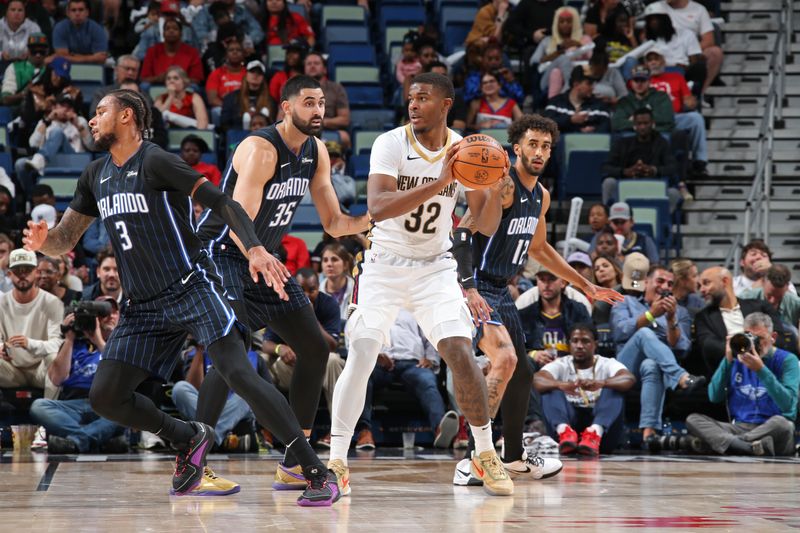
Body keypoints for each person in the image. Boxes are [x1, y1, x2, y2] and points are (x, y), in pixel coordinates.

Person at [23, 88, 340, 505]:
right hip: (142, 306)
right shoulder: (94, 174)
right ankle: (188, 438)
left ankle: (314, 470)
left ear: (128, 117)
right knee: (105, 396)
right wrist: (45, 244)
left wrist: (256, 247)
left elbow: (224, 202)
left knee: (239, 372)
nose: (93, 118)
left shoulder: (155, 160)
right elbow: (66, 239)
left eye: (101, 111)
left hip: (192, 286)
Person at [328, 72, 515, 497]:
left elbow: (482, 223)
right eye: (411, 98)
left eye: (424, 98)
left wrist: (493, 193)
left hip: (435, 266)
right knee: (361, 353)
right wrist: (443, 181)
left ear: (446, 104)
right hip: (383, 265)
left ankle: (484, 454)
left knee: (459, 351)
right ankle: (336, 460)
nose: (413, 105)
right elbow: (376, 207)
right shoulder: (390, 143)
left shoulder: (466, 150)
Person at [195, 75, 368, 494]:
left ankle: (295, 460)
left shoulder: (316, 152)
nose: (319, 111)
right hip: (225, 256)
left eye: (322, 103)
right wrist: (258, 253)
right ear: (286, 107)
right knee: (230, 354)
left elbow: (332, 222)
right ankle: (193, 463)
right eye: (309, 103)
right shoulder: (259, 150)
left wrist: (374, 221)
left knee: (314, 347)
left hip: (264, 259)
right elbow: (239, 224)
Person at [611, 264, 706, 445]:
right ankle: (681, 377)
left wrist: (671, 321)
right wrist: (650, 315)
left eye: (670, 284)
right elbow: (620, 332)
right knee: (645, 334)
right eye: (660, 281)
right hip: (624, 366)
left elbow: (682, 348)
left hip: (657, 367)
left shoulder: (680, 312)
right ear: (646, 283)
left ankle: (649, 433)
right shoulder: (625, 302)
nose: (665, 287)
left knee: (651, 365)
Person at [686, 313, 797, 456]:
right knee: (693, 419)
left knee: (784, 424)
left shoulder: (787, 360)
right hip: (740, 426)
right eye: (750, 338)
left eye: (760, 339)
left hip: (771, 428)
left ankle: (735, 444)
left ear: (773, 338)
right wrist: (727, 360)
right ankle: (750, 447)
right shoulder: (736, 358)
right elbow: (714, 396)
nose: (755, 344)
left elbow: (789, 407)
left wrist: (761, 370)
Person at [29, 296, 127, 454]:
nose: (110, 316)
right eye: (104, 313)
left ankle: (74, 441)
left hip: (106, 406)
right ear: (94, 318)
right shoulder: (73, 344)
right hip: (72, 407)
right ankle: (97, 437)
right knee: (39, 406)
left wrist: (98, 340)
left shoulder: (121, 344)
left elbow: (122, 375)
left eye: (114, 312)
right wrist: (69, 339)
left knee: (127, 411)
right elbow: (57, 379)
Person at [262, 268, 345, 447]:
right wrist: (280, 348)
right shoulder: (282, 301)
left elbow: (331, 345)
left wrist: (309, 315)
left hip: (318, 367)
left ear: (318, 288)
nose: (306, 294)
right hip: (288, 366)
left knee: (334, 360)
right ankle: (267, 429)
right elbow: (265, 343)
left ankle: (336, 433)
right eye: (301, 290)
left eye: (312, 290)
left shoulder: (328, 304)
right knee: (262, 360)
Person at [360, 309, 456, 448]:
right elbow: (359, 335)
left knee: (427, 381)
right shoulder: (373, 307)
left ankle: (440, 429)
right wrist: (374, 355)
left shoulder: (415, 307)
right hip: (379, 362)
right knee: (362, 378)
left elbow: (430, 336)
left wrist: (431, 358)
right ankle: (364, 431)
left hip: (412, 363)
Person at [534, 323, 635, 455]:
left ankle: (594, 433)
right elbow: (536, 380)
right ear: (569, 344)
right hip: (567, 432)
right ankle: (564, 431)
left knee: (614, 387)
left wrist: (602, 383)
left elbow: (629, 378)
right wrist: (560, 384)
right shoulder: (561, 363)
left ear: (595, 344)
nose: (579, 346)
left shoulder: (607, 363)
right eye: (575, 341)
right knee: (550, 387)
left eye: (585, 341)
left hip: (602, 433)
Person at [172, 340, 267, 454]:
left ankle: (206, 439)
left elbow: (266, 393)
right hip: (208, 405)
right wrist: (199, 352)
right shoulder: (197, 353)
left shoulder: (254, 357)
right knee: (180, 388)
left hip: (236, 407)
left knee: (250, 394)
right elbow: (195, 388)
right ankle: (217, 440)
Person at [695, 266, 793, 376]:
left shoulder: (760, 306)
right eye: (700, 285)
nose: (701, 290)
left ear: (725, 281)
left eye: (706, 283)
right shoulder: (703, 317)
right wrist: (750, 349)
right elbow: (710, 346)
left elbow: (779, 337)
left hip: (767, 367)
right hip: (731, 373)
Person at [0, 248, 64, 399]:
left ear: (36, 272)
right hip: (12, 370)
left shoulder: (52, 303)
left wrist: (30, 344)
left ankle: (48, 413)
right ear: (9, 274)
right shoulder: (1, 303)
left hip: (40, 370)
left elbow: (58, 344)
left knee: (54, 357)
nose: (22, 275)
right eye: (17, 271)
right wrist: (1, 347)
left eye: (27, 270)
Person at [645, 46, 709, 177]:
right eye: (649, 60)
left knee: (696, 118)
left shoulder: (676, 77)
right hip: (651, 120)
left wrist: (690, 102)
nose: (653, 63)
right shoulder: (642, 80)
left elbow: (688, 99)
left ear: (663, 60)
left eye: (656, 59)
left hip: (675, 117)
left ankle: (699, 161)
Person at [601, 107, 680, 212]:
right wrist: (625, 172)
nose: (642, 127)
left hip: (653, 185)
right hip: (627, 184)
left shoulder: (662, 143)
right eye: (639, 123)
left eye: (646, 123)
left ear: (652, 123)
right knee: (609, 182)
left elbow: (672, 167)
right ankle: (610, 218)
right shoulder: (622, 143)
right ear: (634, 125)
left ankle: (661, 223)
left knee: (674, 193)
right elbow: (606, 167)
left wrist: (653, 170)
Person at [644, 0, 723, 94]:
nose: (654, 22)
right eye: (652, 20)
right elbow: (646, 36)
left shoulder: (698, 11)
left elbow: (709, 40)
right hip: (660, 58)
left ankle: (699, 95)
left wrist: (687, 50)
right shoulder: (656, 7)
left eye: (656, 19)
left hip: (687, 54)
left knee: (711, 56)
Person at [518, 267, 594, 360]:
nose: (546, 285)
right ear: (537, 282)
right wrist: (533, 354)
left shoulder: (578, 310)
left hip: (571, 366)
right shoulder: (525, 314)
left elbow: (590, 342)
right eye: (542, 280)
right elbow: (516, 347)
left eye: (552, 279)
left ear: (563, 282)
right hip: (537, 367)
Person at [16, 94, 93, 182]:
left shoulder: (80, 121)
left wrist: (78, 126)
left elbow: (91, 146)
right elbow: (33, 144)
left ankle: (39, 160)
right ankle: (32, 194)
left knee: (57, 132)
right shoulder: (45, 122)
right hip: (51, 160)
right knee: (20, 164)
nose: (65, 110)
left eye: (69, 107)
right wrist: (48, 120)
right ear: (54, 107)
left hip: (73, 158)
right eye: (62, 106)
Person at [530, 7, 593, 98]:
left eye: (568, 22)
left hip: (580, 81)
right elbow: (534, 61)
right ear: (556, 23)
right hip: (546, 80)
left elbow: (593, 59)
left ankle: (554, 102)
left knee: (557, 72)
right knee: (561, 61)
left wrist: (579, 45)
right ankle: (569, 87)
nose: (565, 25)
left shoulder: (585, 40)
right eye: (561, 22)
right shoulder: (548, 40)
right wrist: (558, 53)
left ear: (575, 23)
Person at [303, 52, 351, 150]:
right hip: (302, 129)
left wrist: (323, 122)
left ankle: (338, 165)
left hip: (327, 129)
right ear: (304, 69)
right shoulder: (294, 89)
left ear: (324, 69)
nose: (312, 66)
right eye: (309, 64)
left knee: (344, 137)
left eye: (316, 63)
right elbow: (282, 117)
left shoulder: (336, 88)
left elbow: (344, 119)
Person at [543, 66, 610, 134]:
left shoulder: (599, 105)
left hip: (590, 143)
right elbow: (546, 125)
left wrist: (592, 132)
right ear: (576, 84)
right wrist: (571, 120)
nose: (592, 87)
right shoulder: (556, 102)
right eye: (589, 83)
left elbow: (606, 127)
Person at [612, 66, 675, 133]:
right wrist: (650, 124)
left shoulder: (661, 96)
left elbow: (666, 118)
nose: (639, 84)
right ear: (631, 82)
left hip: (658, 134)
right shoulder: (624, 101)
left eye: (643, 80)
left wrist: (634, 119)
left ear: (649, 82)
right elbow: (616, 123)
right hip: (632, 136)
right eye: (636, 80)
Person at [141, 17, 204, 85]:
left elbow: (197, 79)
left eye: (175, 29)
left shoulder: (192, 52)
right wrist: (158, 78)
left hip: (184, 87)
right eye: (167, 29)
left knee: (194, 87)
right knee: (144, 85)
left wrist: (179, 79)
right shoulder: (152, 51)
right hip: (157, 85)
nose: (171, 31)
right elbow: (144, 78)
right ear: (163, 34)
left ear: (181, 34)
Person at [740, 264, 800, 331]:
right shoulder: (745, 299)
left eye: (778, 297)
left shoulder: (796, 304)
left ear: (787, 287)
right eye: (769, 295)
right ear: (763, 282)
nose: (772, 301)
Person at [220, 60, 274, 131]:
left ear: (263, 78)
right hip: (238, 137)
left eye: (259, 73)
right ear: (246, 74)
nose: (255, 75)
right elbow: (224, 123)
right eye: (252, 72)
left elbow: (273, 123)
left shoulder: (270, 100)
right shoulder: (231, 98)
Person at [50, 0, 108, 65]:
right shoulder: (59, 28)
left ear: (87, 12)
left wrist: (73, 56)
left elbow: (101, 59)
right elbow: (62, 58)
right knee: (58, 64)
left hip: (92, 68)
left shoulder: (97, 29)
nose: (77, 13)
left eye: (81, 10)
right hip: (68, 68)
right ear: (68, 13)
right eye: (73, 10)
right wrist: (91, 57)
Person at [733, 240, 797, 296]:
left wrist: (774, 272)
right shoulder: (732, 283)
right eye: (753, 254)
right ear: (742, 262)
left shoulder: (783, 282)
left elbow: (794, 305)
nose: (759, 257)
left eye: (764, 255)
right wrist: (758, 284)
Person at [1, 32, 48, 108]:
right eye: (34, 51)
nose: (38, 55)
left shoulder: (52, 70)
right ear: (28, 51)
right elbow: (5, 99)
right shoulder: (14, 67)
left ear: (47, 52)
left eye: (41, 52)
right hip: (19, 111)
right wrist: (25, 94)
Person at [318, 242, 355, 324]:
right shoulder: (317, 292)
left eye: (334, 259)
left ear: (345, 264)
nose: (329, 264)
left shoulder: (357, 289)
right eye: (325, 260)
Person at [205, 38, 245, 113]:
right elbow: (212, 99)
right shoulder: (216, 73)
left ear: (243, 54)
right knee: (216, 111)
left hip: (244, 107)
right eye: (231, 50)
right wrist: (228, 107)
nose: (235, 52)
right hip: (223, 107)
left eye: (238, 50)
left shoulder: (248, 73)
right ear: (226, 55)